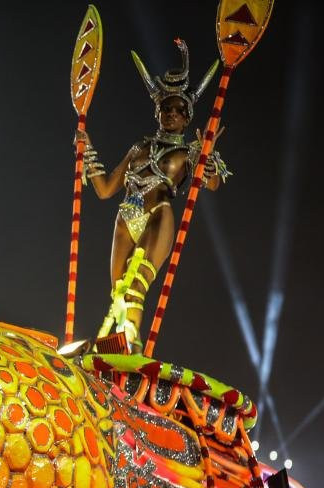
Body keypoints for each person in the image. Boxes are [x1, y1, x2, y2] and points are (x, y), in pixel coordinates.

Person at [76, 39, 230, 349]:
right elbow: (106, 190)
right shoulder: (138, 148)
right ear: (157, 111)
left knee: (135, 288)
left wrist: (208, 159)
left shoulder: (188, 152)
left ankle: (130, 343)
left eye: (178, 109)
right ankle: (112, 344)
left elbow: (210, 185)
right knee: (118, 291)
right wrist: (87, 153)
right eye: (165, 108)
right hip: (125, 215)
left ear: (187, 117)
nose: (171, 113)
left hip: (158, 215)